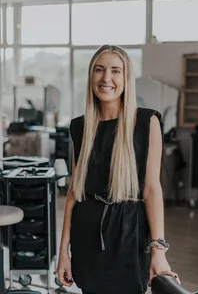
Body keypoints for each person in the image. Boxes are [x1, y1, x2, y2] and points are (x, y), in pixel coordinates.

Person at [57, 45, 180, 294]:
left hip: (129, 233)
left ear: (126, 78)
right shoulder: (80, 127)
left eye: (116, 71)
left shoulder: (146, 122)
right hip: (87, 234)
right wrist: (63, 253)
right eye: (99, 70)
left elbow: (152, 190)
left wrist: (158, 251)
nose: (106, 78)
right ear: (91, 76)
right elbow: (74, 191)